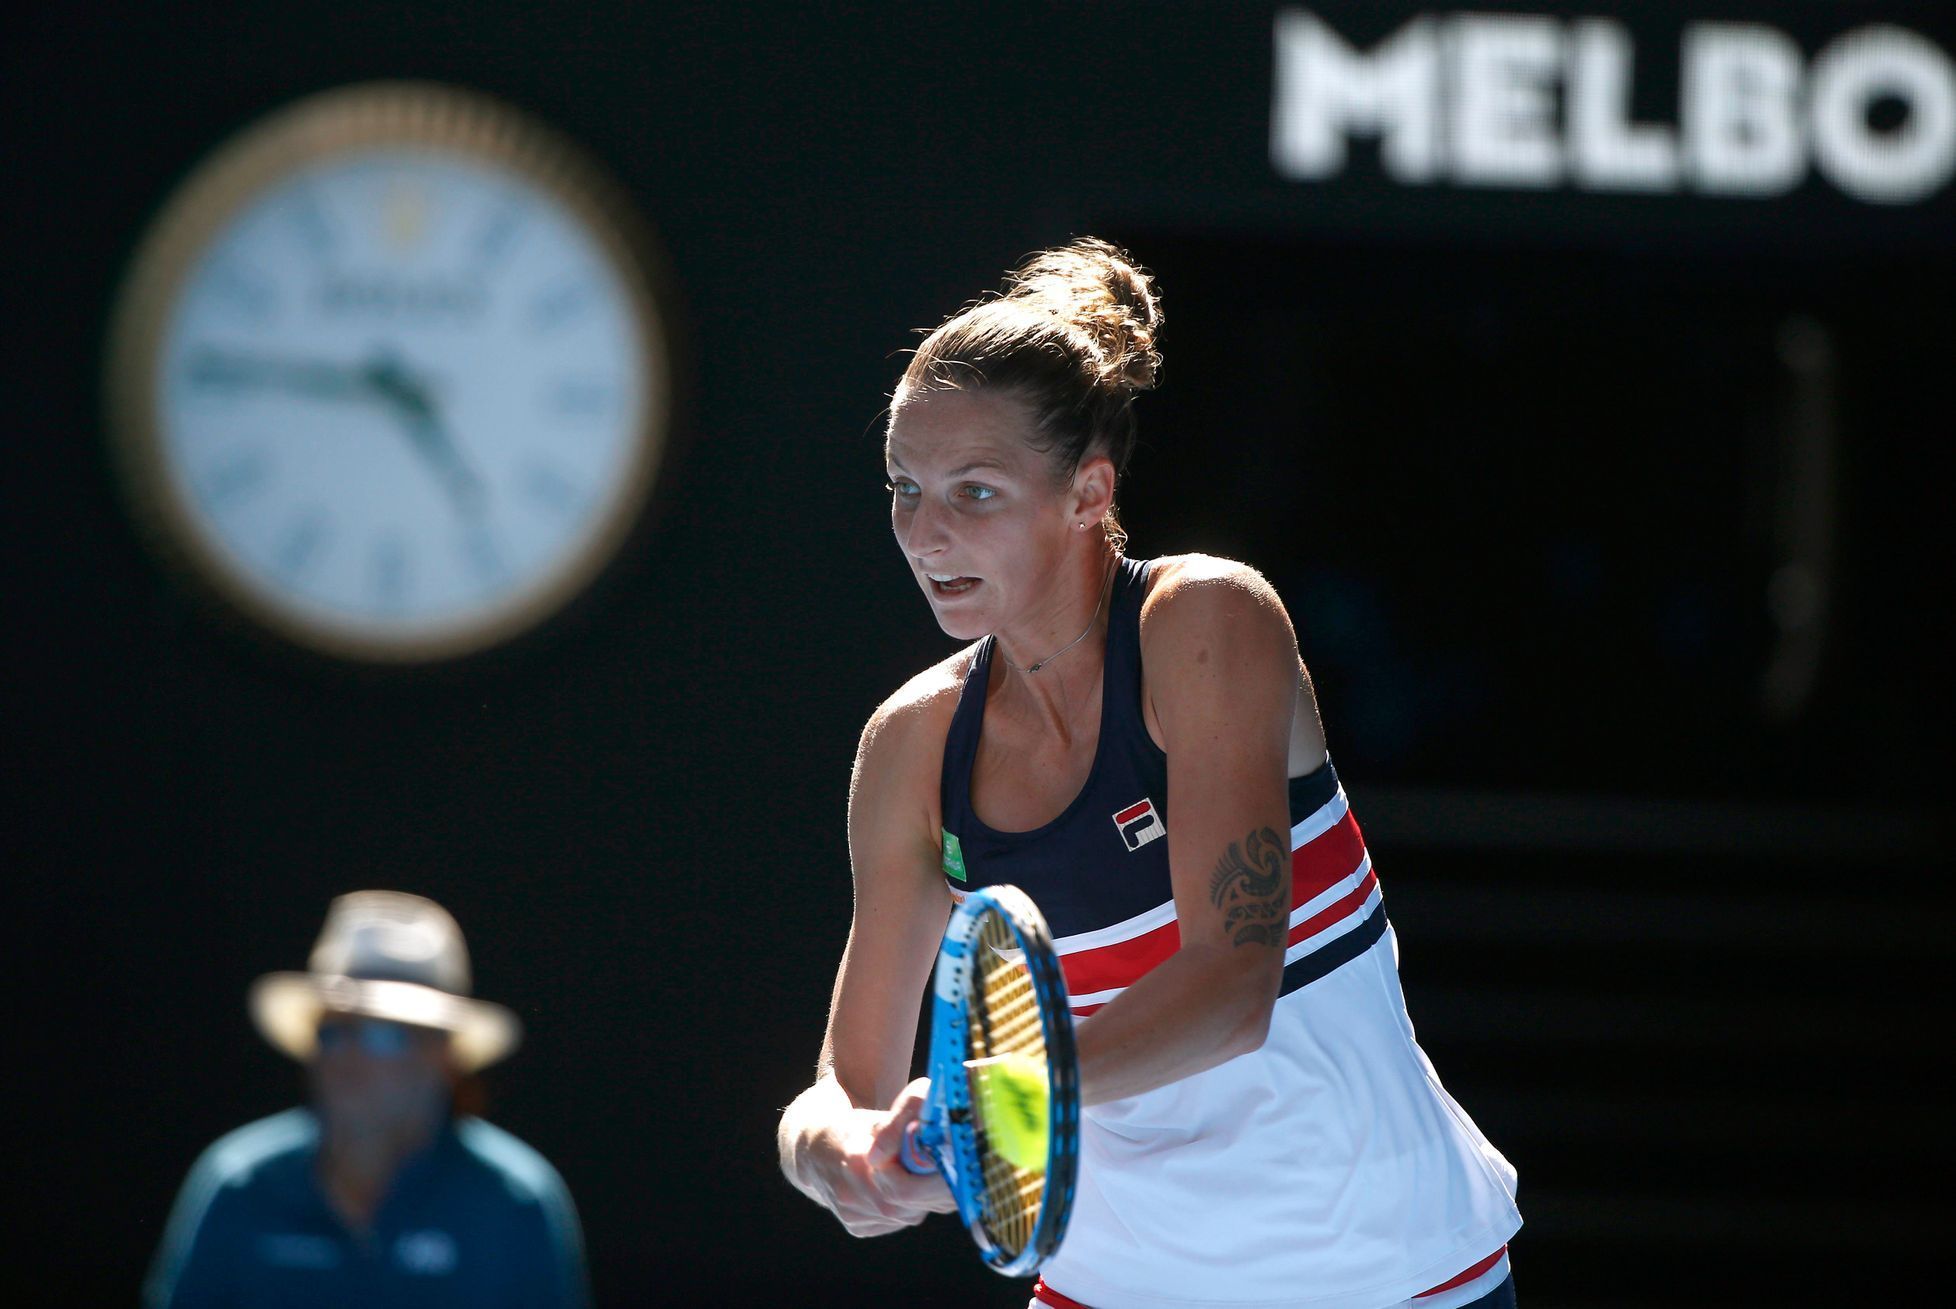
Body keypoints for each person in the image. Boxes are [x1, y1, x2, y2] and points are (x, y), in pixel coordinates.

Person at [777, 239, 1522, 1308]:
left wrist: (1007, 1102)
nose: (925, 532)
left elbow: (1230, 992)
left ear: (1089, 492)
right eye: (905, 487)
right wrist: (841, 1157)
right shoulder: (909, 745)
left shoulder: (1206, 622)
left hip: (1392, 1275)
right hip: (1108, 1288)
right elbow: (842, 1083)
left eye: (974, 492)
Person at [146, 891, 589, 1309]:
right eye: (333, 1032)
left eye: (385, 1035)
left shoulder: (514, 1202)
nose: (350, 1057)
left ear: (446, 1056)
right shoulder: (238, 1184)